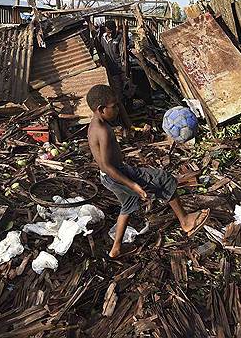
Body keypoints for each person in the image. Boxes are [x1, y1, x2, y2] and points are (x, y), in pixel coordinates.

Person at [86, 84, 210, 258]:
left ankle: (116, 249)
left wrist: (129, 126)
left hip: (109, 176)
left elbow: (118, 107)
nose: (117, 109)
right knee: (164, 179)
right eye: (113, 107)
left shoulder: (95, 124)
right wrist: (133, 184)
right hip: (116, 174)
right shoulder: (103, 131)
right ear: (101, 109)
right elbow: (107, 165)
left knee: (127, 206)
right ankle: (186, 221)